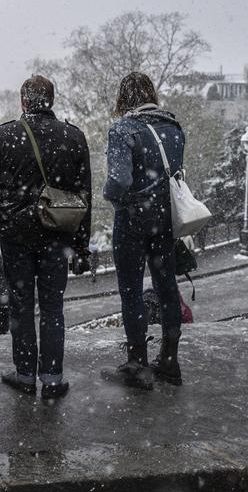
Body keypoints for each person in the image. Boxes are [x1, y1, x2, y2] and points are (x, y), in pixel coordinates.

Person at [0, 75, 91, 400]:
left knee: (21, 307)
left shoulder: (4, 135)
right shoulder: (73, 136)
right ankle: (53, 378)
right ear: (51, 101)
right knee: (54, 307)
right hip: (57, 233)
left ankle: (26, 375)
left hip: (16, 235)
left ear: (23, 101)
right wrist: (81, 241)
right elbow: (83, 195)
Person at [102, 72, 187, 389]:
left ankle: (138, 364)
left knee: (131, 289)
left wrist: (109, 194)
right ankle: (170, 361)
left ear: (124, 99)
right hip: (165, 218)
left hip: (133, 219)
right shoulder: (175, 129)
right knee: (166, 286)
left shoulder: (124, 129)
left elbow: (120, 181)